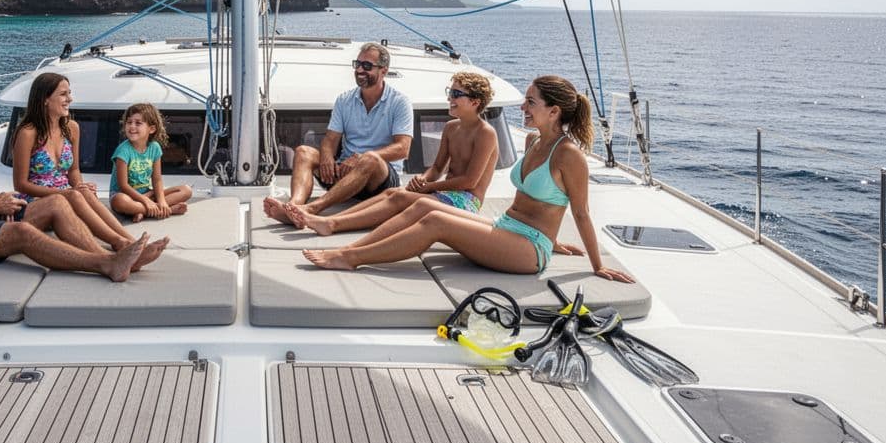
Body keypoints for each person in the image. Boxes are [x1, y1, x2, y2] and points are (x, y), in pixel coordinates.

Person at [302, 74, 634, 283]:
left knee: (436, 222)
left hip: (530, 249)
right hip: (506, 228)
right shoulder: (533, 141)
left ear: (554, 111)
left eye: (530, 102)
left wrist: (596, 265)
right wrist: (557, 238)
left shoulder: (569, 155)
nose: (523, 107)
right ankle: (349, 247)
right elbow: (539, 201)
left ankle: (351, 259)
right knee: (422, 209)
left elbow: (580, 212)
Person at [0, 64, 165, 281]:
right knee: (22, 233)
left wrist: (1, 203)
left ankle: (118, 251)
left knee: (57, 203)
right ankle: (106, 263)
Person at [285, 71, 499, 236]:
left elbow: (470, 181)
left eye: (456, 94)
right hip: (443, 193)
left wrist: (430, 186)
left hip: (466, 201)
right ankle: (332, 219)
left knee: (398, 197)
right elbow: (436, 168)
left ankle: (332, 223)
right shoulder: (452, 128)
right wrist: (422, 180)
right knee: (391, 194)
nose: (450, 98)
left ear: (475, 102)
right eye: (450, 92)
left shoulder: (486, 133)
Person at [263, 42, 413, 223]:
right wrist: (327, 157)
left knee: (371, 159)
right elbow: (330, 140)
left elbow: (402, 148)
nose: (359, 70)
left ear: (383, 71)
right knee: (304, 151)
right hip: (346, 173)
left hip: (380, 182)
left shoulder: (399, 102)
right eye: (357, 64)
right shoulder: (344, 100)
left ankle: (312, 208)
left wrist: (362, 157)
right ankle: (294, 207)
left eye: (367, 66)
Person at [11, 72, 143, 252]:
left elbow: (73, 171)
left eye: (69, 93)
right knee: (74, 194)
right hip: (37, 200)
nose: (70, 99)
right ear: (45, 99)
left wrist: (80, 187)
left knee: (83, 192)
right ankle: (118, 243)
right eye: (63, 94)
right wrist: (66, 192)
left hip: (68, 194)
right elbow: (20, 184)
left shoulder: (71, 128)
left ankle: (129, 240)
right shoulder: (28, 133)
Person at [109, 103, 194, 222]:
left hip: (148, 193)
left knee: (186, 190)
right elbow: (123, 186)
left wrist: (162, 201)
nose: (132, 126)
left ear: (151, 129)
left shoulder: (155, 148)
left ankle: (143, 211)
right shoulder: (123, 151)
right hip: (126, 195)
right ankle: (165, 210)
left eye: (138, 123)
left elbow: (157, 179)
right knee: (120, 201)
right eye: (129, 122)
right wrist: (146, 201)